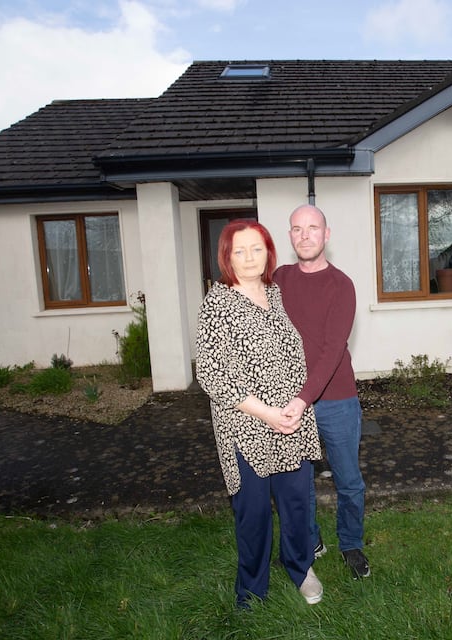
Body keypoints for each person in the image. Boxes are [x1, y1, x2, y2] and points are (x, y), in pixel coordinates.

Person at [195, 218, 324, 608]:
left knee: (297, 504)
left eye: (257, 248)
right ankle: (251, 589)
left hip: (291, 421)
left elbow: (294, 357)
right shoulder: (216, 304)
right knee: (253, 514)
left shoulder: (276, 294)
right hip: (246, 426)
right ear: (227, 257)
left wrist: (296, 406)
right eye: (240, 250)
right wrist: (267, 413)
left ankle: (301, 567)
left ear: (268, 252)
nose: (249, 257)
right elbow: (210, 373)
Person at [273, 204, 371, 579]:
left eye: (312, 228)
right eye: (297, 229)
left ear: (326, 234)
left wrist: (302, 399)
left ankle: (351, 543)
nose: (305, 235)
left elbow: (332, 351)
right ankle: (310, 541)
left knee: (348, 480)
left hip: (336, 400)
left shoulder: (341, 285)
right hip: (291, 399)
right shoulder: (279, 279)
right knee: (300, 482)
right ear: (290, 236)